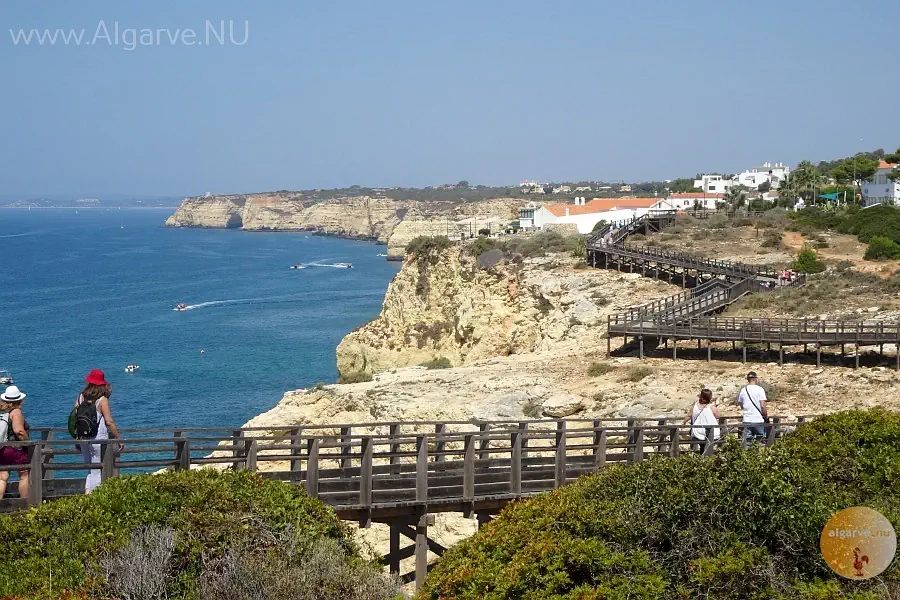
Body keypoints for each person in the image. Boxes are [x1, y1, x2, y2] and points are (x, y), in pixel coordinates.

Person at [75, 369, 123, 493]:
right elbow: (109, 422)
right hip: (98, 437)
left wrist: (76, 437)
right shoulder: (102, 400)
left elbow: (74, 417)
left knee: (90, 469)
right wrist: (118, 438)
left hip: (83, 438)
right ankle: (93, 497)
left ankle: (87, 493)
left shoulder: (81, 396)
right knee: (97, 469)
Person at [0, 386, 30, 499]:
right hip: (14, 449)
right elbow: (19, 431)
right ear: (19, 400)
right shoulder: (16, 412)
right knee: (24, 474)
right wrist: (28, 442)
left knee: (2, 477)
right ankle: (25, 504)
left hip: (2, 448)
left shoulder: (2, 411)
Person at [736, 371, 768, 447]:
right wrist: (765, 415)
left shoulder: (743, 390)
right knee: (760, 442)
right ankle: (758, 457)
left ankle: (748, 458)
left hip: (747, 419)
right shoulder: (760, 389)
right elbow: (763, 405)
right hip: (758, 419)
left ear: (748, 379)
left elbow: (741, 404)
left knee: (747, 443)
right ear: (756, 378)